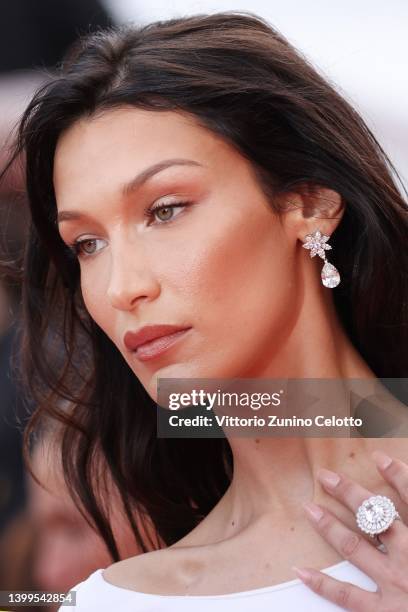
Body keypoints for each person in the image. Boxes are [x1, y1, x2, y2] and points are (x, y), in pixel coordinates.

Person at [1, 10, 408, 611]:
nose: (121, 287)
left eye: (165, 209)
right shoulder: (114, 603)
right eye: (87, 244)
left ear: (310, 202)